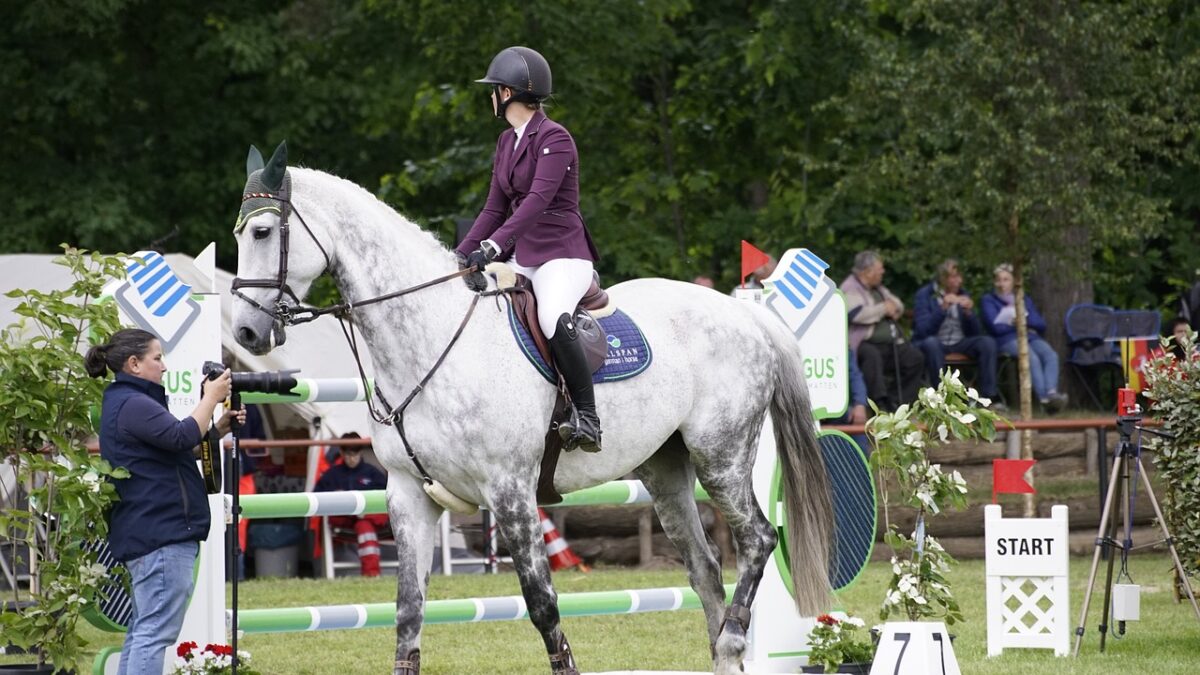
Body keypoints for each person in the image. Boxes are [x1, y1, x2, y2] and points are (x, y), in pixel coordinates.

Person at [455, 45, 603, 453]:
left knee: (552, 314)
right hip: (523, 256)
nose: (490, 97)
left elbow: (537, 200)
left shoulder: (555, 137)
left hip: (563, 254)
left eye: (492, 90)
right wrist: (459, 256)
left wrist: (493, 245)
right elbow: (493, 208)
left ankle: (588, 416)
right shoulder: (506, 142)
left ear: (505, 94)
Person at [85, 328, 243, 675]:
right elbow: (181, 435)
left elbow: (173, 447)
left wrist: (216, 429)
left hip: (149, 532)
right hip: (160, 534)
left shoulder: (126, 400)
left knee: (144, 629)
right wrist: (212, 397)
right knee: (153, 633)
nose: (164, 366)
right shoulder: (134, 403)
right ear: (134, 364)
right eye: (157, 358)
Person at [840, 251, 926, 411]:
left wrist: (892, 308)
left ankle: (897, 401)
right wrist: (882, 309)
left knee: (915, 357)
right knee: (872, 356)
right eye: (880, 269)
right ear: (868, 271)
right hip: (863, 343)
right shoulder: (850, 287)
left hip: (890, 343)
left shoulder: (878, 288)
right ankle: (879, 402)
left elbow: (898, 304)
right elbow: (855, 314)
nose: (883, 272)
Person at [913, 259, 1004, 409]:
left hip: (960, 342)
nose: (959, 281)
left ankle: (988, 397)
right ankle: (942, 398)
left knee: (987, 343)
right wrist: (942, 309)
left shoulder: (963, 294)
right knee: (931, 344)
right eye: (954, 277)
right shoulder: (925, 295)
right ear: (943, 279)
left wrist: (969, 313)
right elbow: (922, 330)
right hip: (936, 342)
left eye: (959, 277)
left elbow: (975, 332)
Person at [981, 263, 1068, 412]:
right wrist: (1015, 324)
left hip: (1029, 336)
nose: (1002, 284)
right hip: (1006, 339)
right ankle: (1044, 400)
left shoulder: (1023, 299)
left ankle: (1052, 393)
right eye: (998, 280)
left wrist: (1023, 320)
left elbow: (1040, 324)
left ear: (1013, 281)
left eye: (1006, 280)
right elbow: (995, 327)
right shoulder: (989, 300)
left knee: (1050, 355)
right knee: (1029, 356)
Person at [314, 432, 389, 576]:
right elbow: (317, 496)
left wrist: (365, 511)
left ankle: (371, 575)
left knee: (366, 523)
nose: (352, 459)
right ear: (341, 453)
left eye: (355, 454)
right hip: (344, 521)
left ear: (361, 452)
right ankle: (371, 575)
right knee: (364, 524)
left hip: (369, 520)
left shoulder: (372, 473)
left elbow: (387, 497)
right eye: (348, 455)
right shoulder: (332, 474)